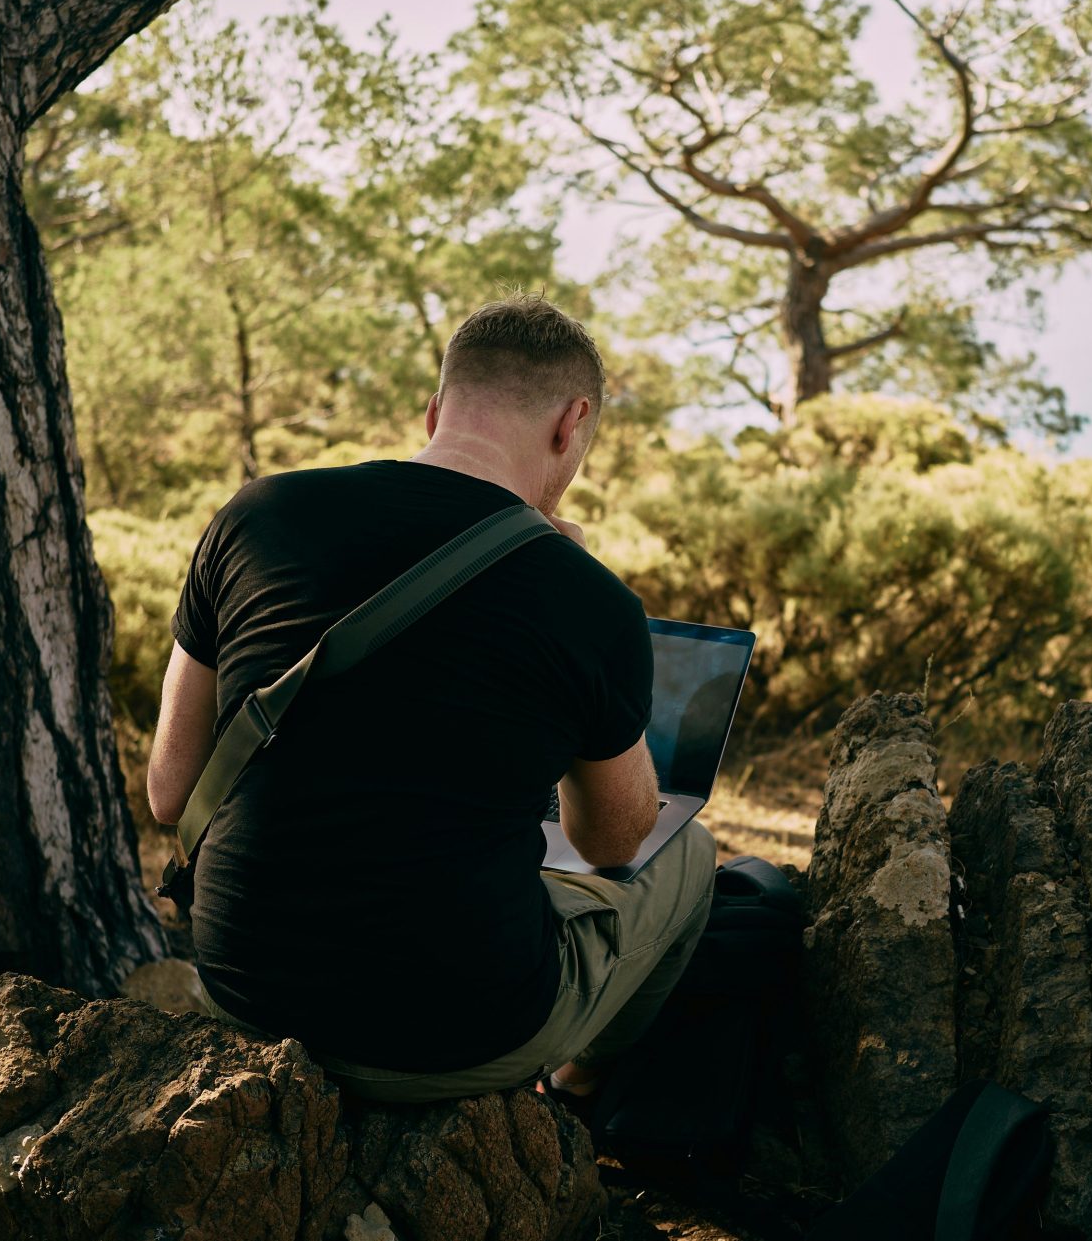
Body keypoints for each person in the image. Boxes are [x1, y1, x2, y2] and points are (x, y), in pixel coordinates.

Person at [145, 294, 715, 1104]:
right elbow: (616, 839)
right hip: (454, 1036)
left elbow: (170, 792)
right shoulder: (587, 597)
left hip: (247, 994)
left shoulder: (254, 514)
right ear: (571, 423)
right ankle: (582, 1091)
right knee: (690, 849)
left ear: (435, 409)